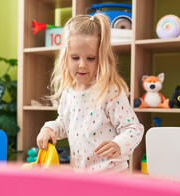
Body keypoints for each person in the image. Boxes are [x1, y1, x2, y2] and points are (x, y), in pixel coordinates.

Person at [36, 13, 144, 173]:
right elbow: (64, 124)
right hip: (82, 174)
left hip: (112, 173)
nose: (82, 65)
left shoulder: (110, 91)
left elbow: (134, 128)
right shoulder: (68, 93)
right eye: (75, 57)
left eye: (91, 58)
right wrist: (49, 129)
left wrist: (119, 144)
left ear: (102, 58)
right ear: (65, 58)